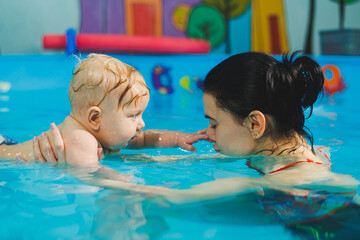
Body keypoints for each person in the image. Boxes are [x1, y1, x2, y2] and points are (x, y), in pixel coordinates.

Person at [24, 52, 360, 204]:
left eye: (214, 123)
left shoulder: (296, 178)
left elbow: (176, 197)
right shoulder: (289, 140)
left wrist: (85, 174)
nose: (209, 134)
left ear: (255, 124)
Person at [0, 54, 207, 165]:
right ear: (95, 118)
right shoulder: (82, 139)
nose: (142, 124)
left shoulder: (104, 133)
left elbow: (145, 139)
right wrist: (129, 186)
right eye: (133, 115)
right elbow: (92, 176)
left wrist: (177, 138)